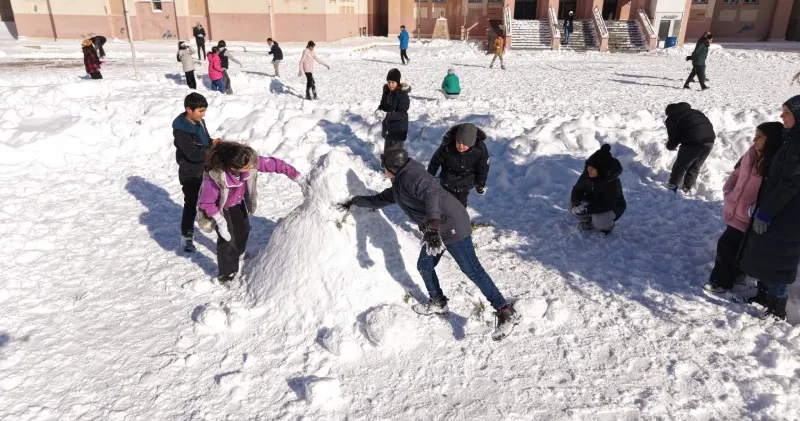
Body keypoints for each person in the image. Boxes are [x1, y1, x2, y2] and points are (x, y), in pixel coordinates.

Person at [340, 149, 520, 341]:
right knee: (424, 266)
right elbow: (380, 199)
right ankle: (438, 302)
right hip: (436, 229)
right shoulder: (400, 183)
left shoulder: (412, 177)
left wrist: (433, 228)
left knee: (472, 269)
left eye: (384, 166)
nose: (382, 170)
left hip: (451, 224)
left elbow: (432, 194)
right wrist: (355, 201)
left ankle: (505, 311)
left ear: (391, 167)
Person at [197, 142, 300, 284]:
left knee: (243, 229)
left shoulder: (248, 161)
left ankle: (238, 253)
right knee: (227, 239)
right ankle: (227, 275)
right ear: (233, 168)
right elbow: (206, 202)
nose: (252, 166)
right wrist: (220, 222)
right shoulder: (215, 178)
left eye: (251, 163)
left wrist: (297, 176)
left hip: (237, 203)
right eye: (247, 166)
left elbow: (275, 164)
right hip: (220, 209)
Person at [704, 122, 784, 293]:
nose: (754, 140)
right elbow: (737, 172)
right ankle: (734, 276)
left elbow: (773, 193)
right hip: (737, 209)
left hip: (751, 215)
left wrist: (754, 209)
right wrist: (728, 190)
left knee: (728, 246)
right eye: (755, 135)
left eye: (760, 137)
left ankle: (721, 282)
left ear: (772, 140)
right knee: (733, 247)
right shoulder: (752, 153)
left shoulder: (775, 163)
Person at [740, 95, 800, 320]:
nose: (782, 116)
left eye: (787, 112)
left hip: (788, 214)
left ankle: (777, 308)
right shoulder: (791, 137)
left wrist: (767, 212)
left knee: (777, 260)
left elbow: (790, 183)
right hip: (775, 207)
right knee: (765, 253)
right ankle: (763, 296)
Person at [173, 93, 220, 252]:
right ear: (188, 110)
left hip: (206, 169)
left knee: (214, 199)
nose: (203, 114)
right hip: (190, 173)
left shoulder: (200, 122)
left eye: (204, 110)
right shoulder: (181, 132)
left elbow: (204, 141)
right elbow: (193, 154)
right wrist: (211, 151)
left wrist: (212, 142)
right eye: (200, 111)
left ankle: (223, 234)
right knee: (192, 203)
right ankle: (186, 236)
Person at [427, 123, 489, 208]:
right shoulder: (447, 146)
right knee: (445, 203)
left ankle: (460, 215)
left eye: (465, 143)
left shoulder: (479, 150)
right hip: (447, 180)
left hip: (465, 182)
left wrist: (480, 185)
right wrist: (429, 176)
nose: (461, 146)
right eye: (458, 142)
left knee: (460, 205)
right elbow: (435, 161)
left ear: (471, 143)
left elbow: (482, 169)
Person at [569, 144, 626, 235]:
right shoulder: (587, 175)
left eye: (593, 168)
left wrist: (586, 209)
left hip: (612, 207)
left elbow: (608, 204)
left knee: (599, 220)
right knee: (571, 205)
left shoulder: (612, 182)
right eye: (589, 166)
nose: (589, 169)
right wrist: (577, 204)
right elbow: (577, 190)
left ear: (601, 170)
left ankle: (607, 228)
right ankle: (588, 222)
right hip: (593, 202)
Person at [664, 102, 716, 193]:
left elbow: (673, 137)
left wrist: (670, 146)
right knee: (695, 165)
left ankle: (673, 185)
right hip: (710, 141)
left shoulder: (673, 118)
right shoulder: (695, 112)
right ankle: (687, 187)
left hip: (694, 141)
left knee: (681, 165)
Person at [376, 68, 410, 153]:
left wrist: (386, 115)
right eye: (389, 82)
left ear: (398, 82)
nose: (390, 85)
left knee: (395, 156)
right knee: (387, 154)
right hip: (388, 129)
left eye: (393, 82)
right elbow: (382, 105)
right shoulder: (387, 93)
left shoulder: (403, 95)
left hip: (398, 131)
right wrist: (379, 110)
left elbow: (402, 114)